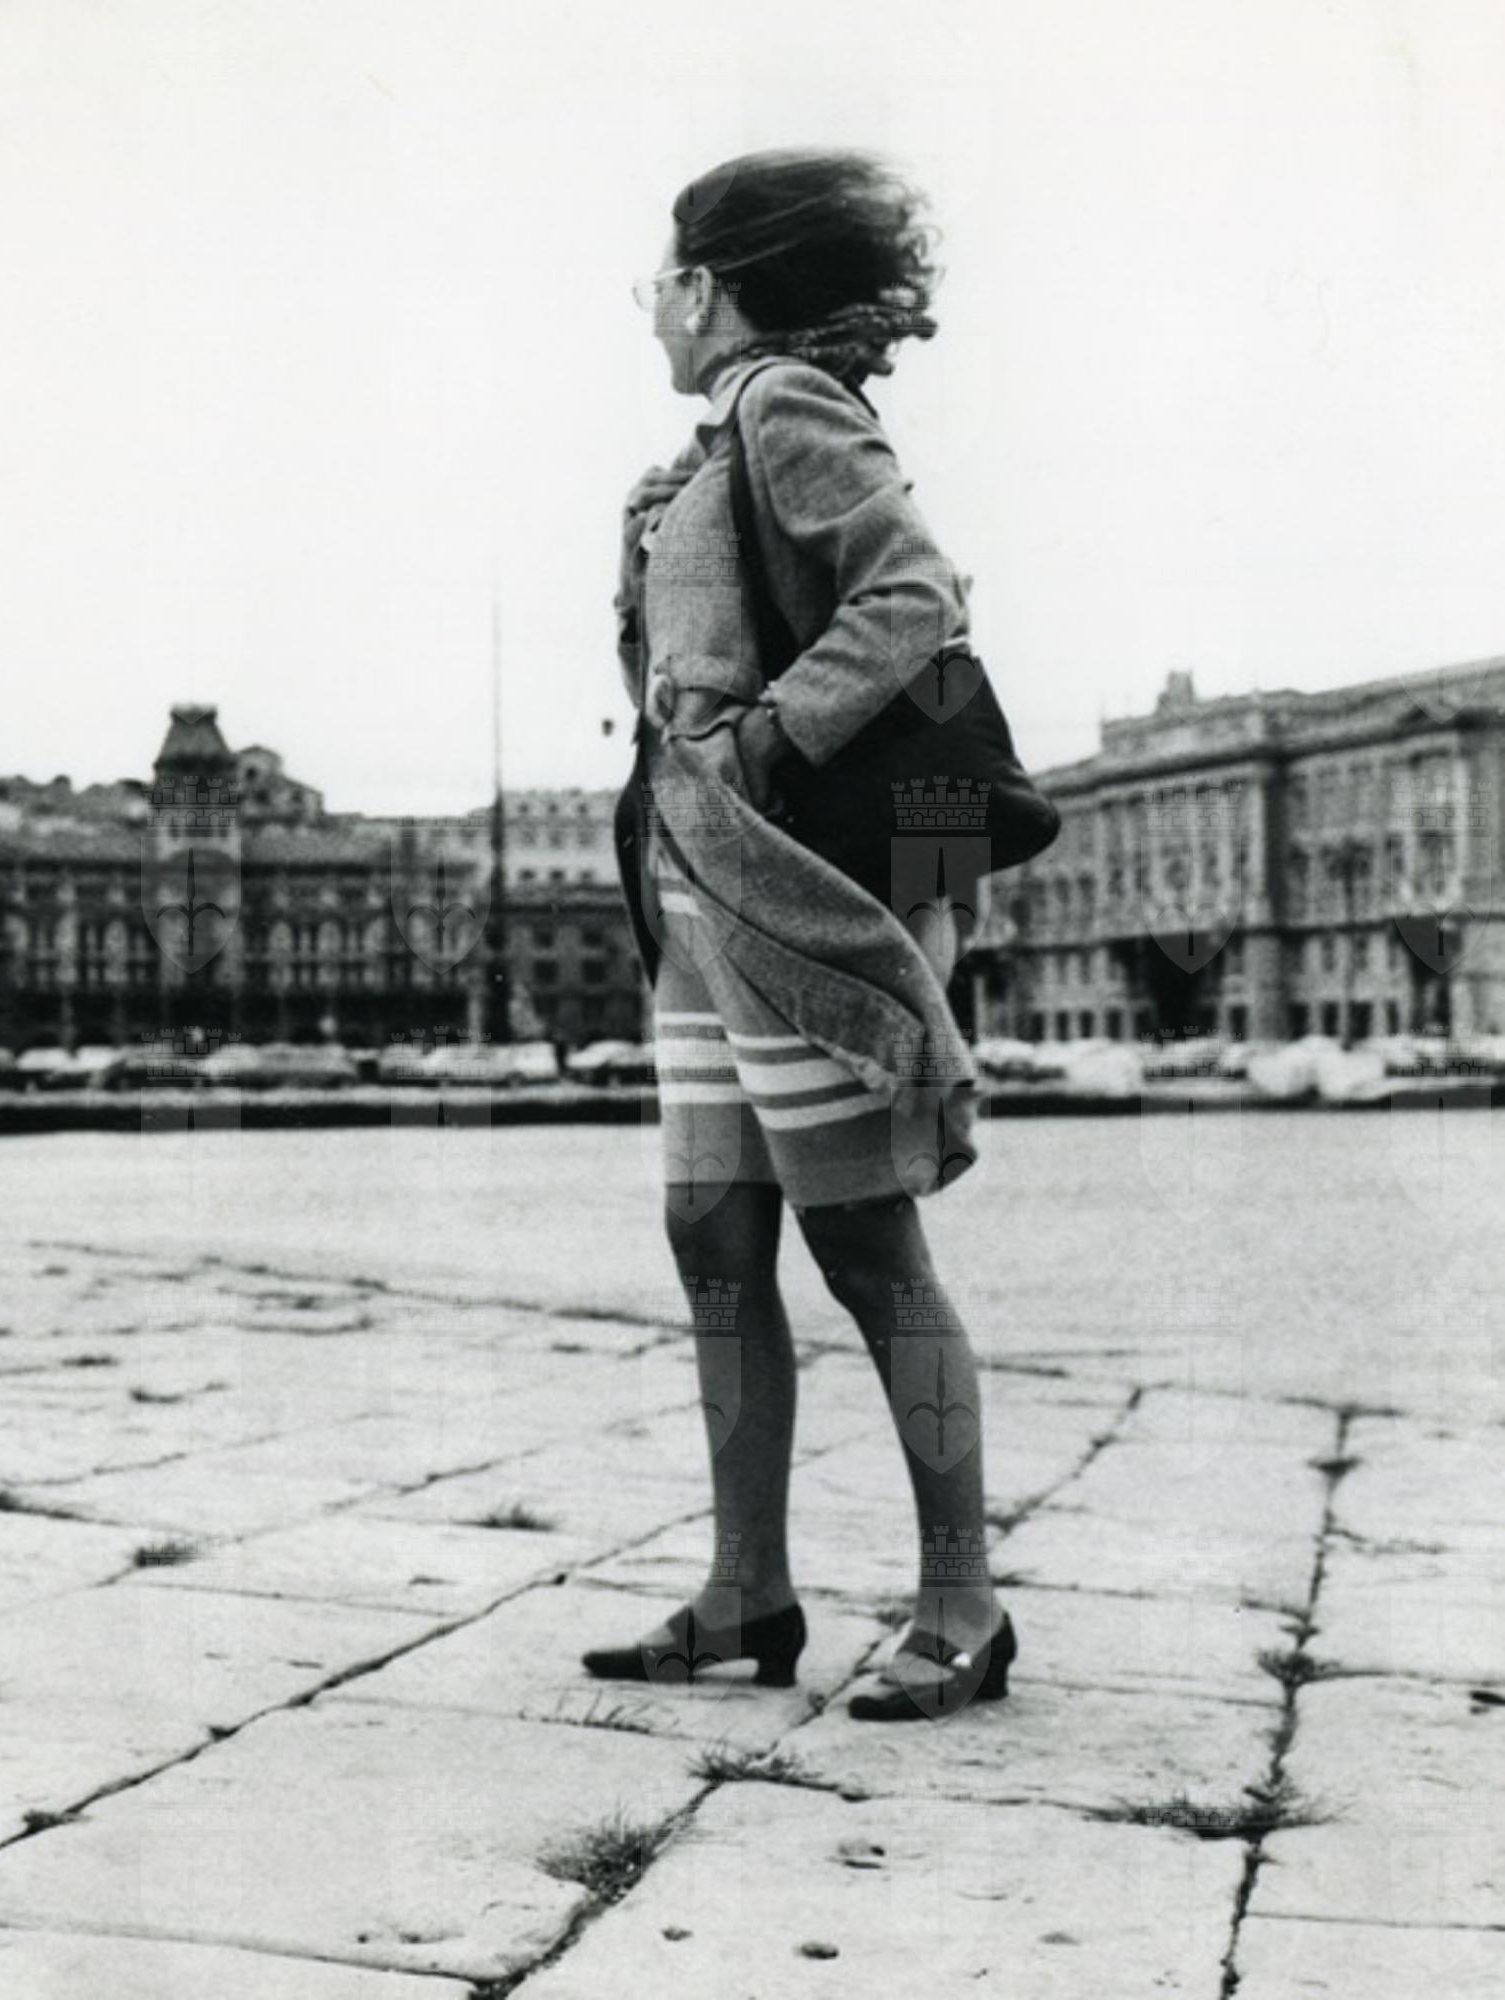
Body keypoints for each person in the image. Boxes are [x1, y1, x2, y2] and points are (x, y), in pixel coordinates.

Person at [583, 147, 1014, 1721]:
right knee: (712, 1237)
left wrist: (766, 741)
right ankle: (744, 1594)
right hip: (700, 902)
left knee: (862, 1243)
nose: (649, 306)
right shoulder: (713, 444)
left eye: (661, 280)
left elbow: (911, 598)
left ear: (705, 288)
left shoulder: (786, 405)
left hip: (785, 896)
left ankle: (961, 1604)